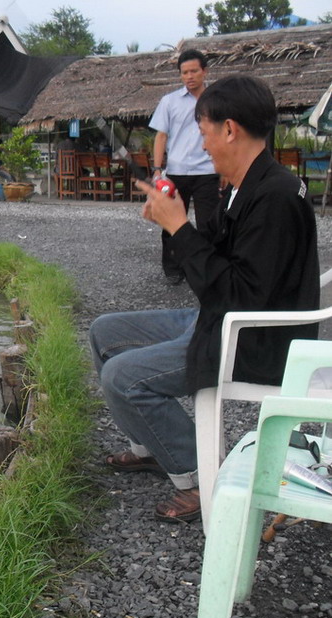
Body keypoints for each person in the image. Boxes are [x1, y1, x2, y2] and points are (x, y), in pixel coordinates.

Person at [89, 75, 319, 523]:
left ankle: (197, 476)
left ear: (229, 129)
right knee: (104, 333)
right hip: (220, 317)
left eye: (203, 131)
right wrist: (175, 218)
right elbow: (212, 264)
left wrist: (179, 228)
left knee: (122, 376)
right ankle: (154, 447)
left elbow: (239, 296)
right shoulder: (239, 185)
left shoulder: (274, 197)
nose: (202, 144)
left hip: (254, 340)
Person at [149, 49, 221, 285]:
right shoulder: (169, 101)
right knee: (170, 222)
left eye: (194, 71)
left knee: (208, 225)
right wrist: (157, 170)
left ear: (204, 71)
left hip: (207, 172)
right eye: (184, 72)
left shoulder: (217, 100)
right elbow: (161, 136)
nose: (189, 76)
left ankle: (206, 269)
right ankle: (173, 269)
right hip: (177, 172)